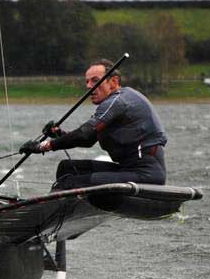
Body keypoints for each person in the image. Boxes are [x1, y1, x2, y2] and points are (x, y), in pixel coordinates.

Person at [19, 58, 167, 189]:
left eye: (95, 81)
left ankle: (46, 214)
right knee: (67, 168)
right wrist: (59, 134)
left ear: (113, 82)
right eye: (87, 81)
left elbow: (84, 134)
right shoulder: (113, 103)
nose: (89, 86)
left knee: (69, 182)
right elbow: (89, 140)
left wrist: (42, 146)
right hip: (127, 170)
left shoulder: (118, 101)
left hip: (146, 174)